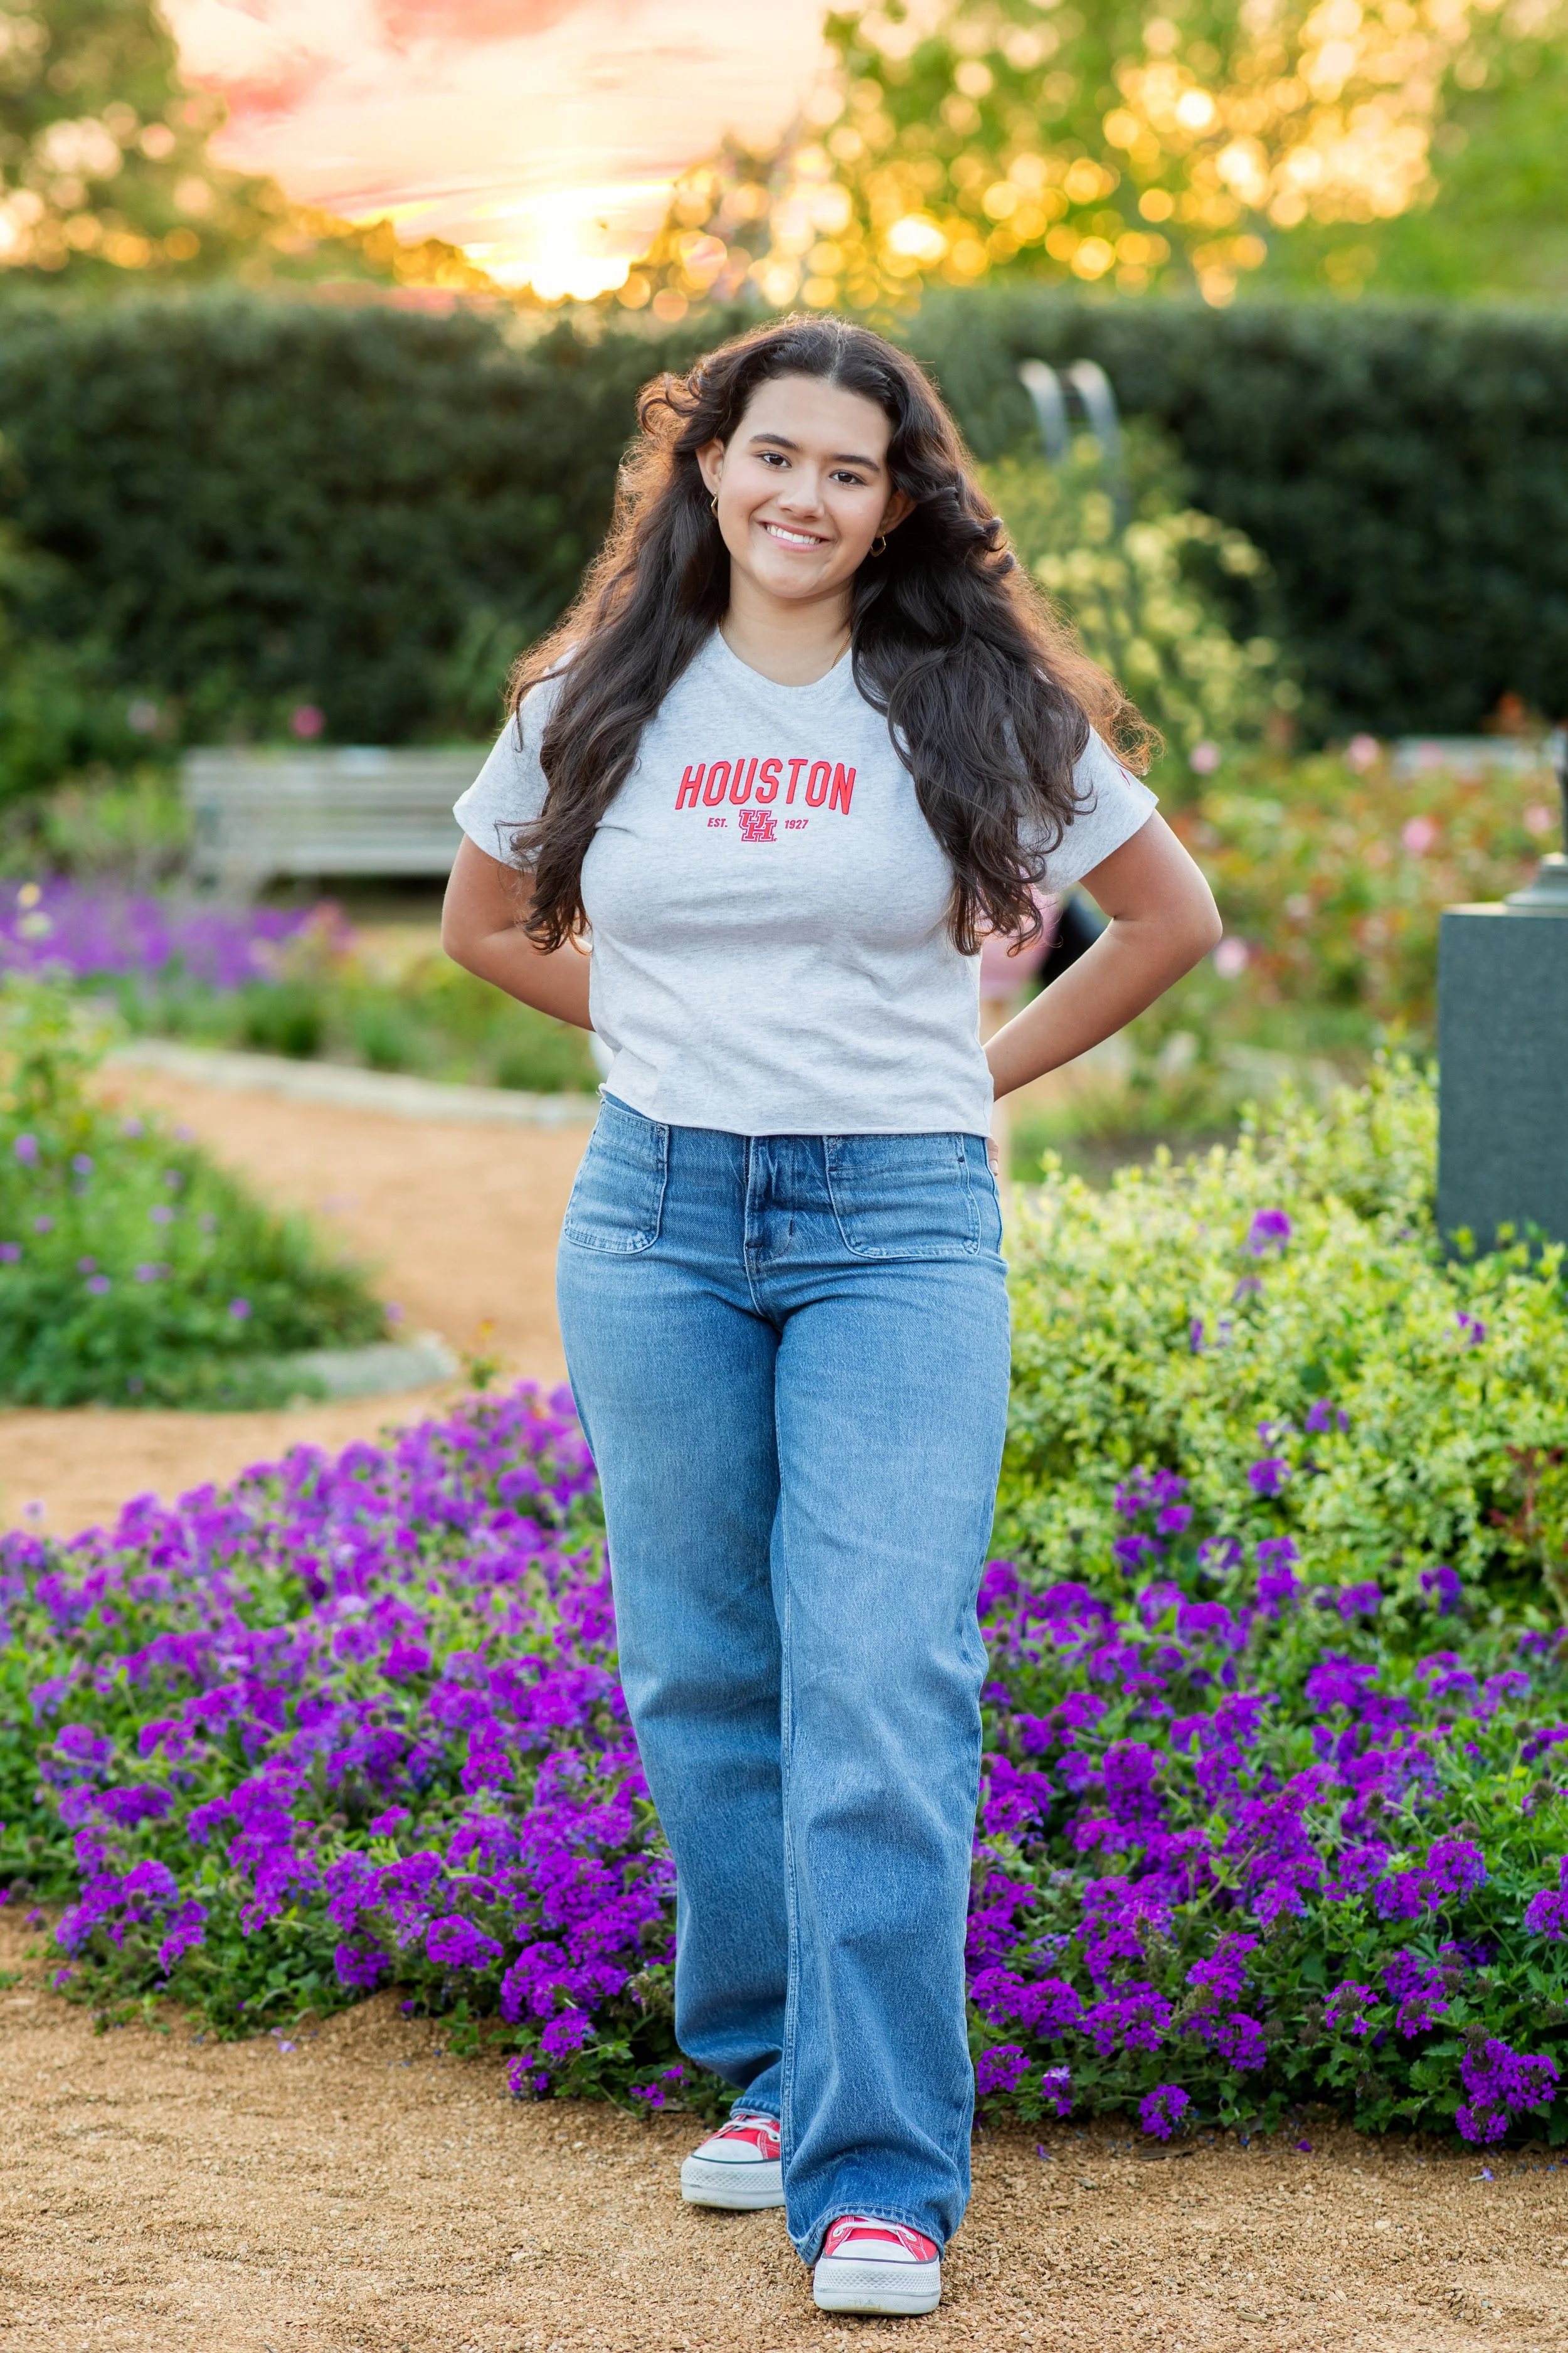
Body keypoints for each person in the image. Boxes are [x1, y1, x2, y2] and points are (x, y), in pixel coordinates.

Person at [441, 315, 1221, 2319]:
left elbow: (1165, 918)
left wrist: (986, 1075)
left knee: (878, 1679)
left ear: (898, 504)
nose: (802, 494)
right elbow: (485, 922)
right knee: (702, 1674)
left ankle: (880, 2170)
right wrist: (679, 1033)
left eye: (848, 469)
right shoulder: (602, 691)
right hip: (657, 1215)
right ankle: (774, 2072)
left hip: (895, 1222)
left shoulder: (972, 699)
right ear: (706, 465)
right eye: (769, 453)